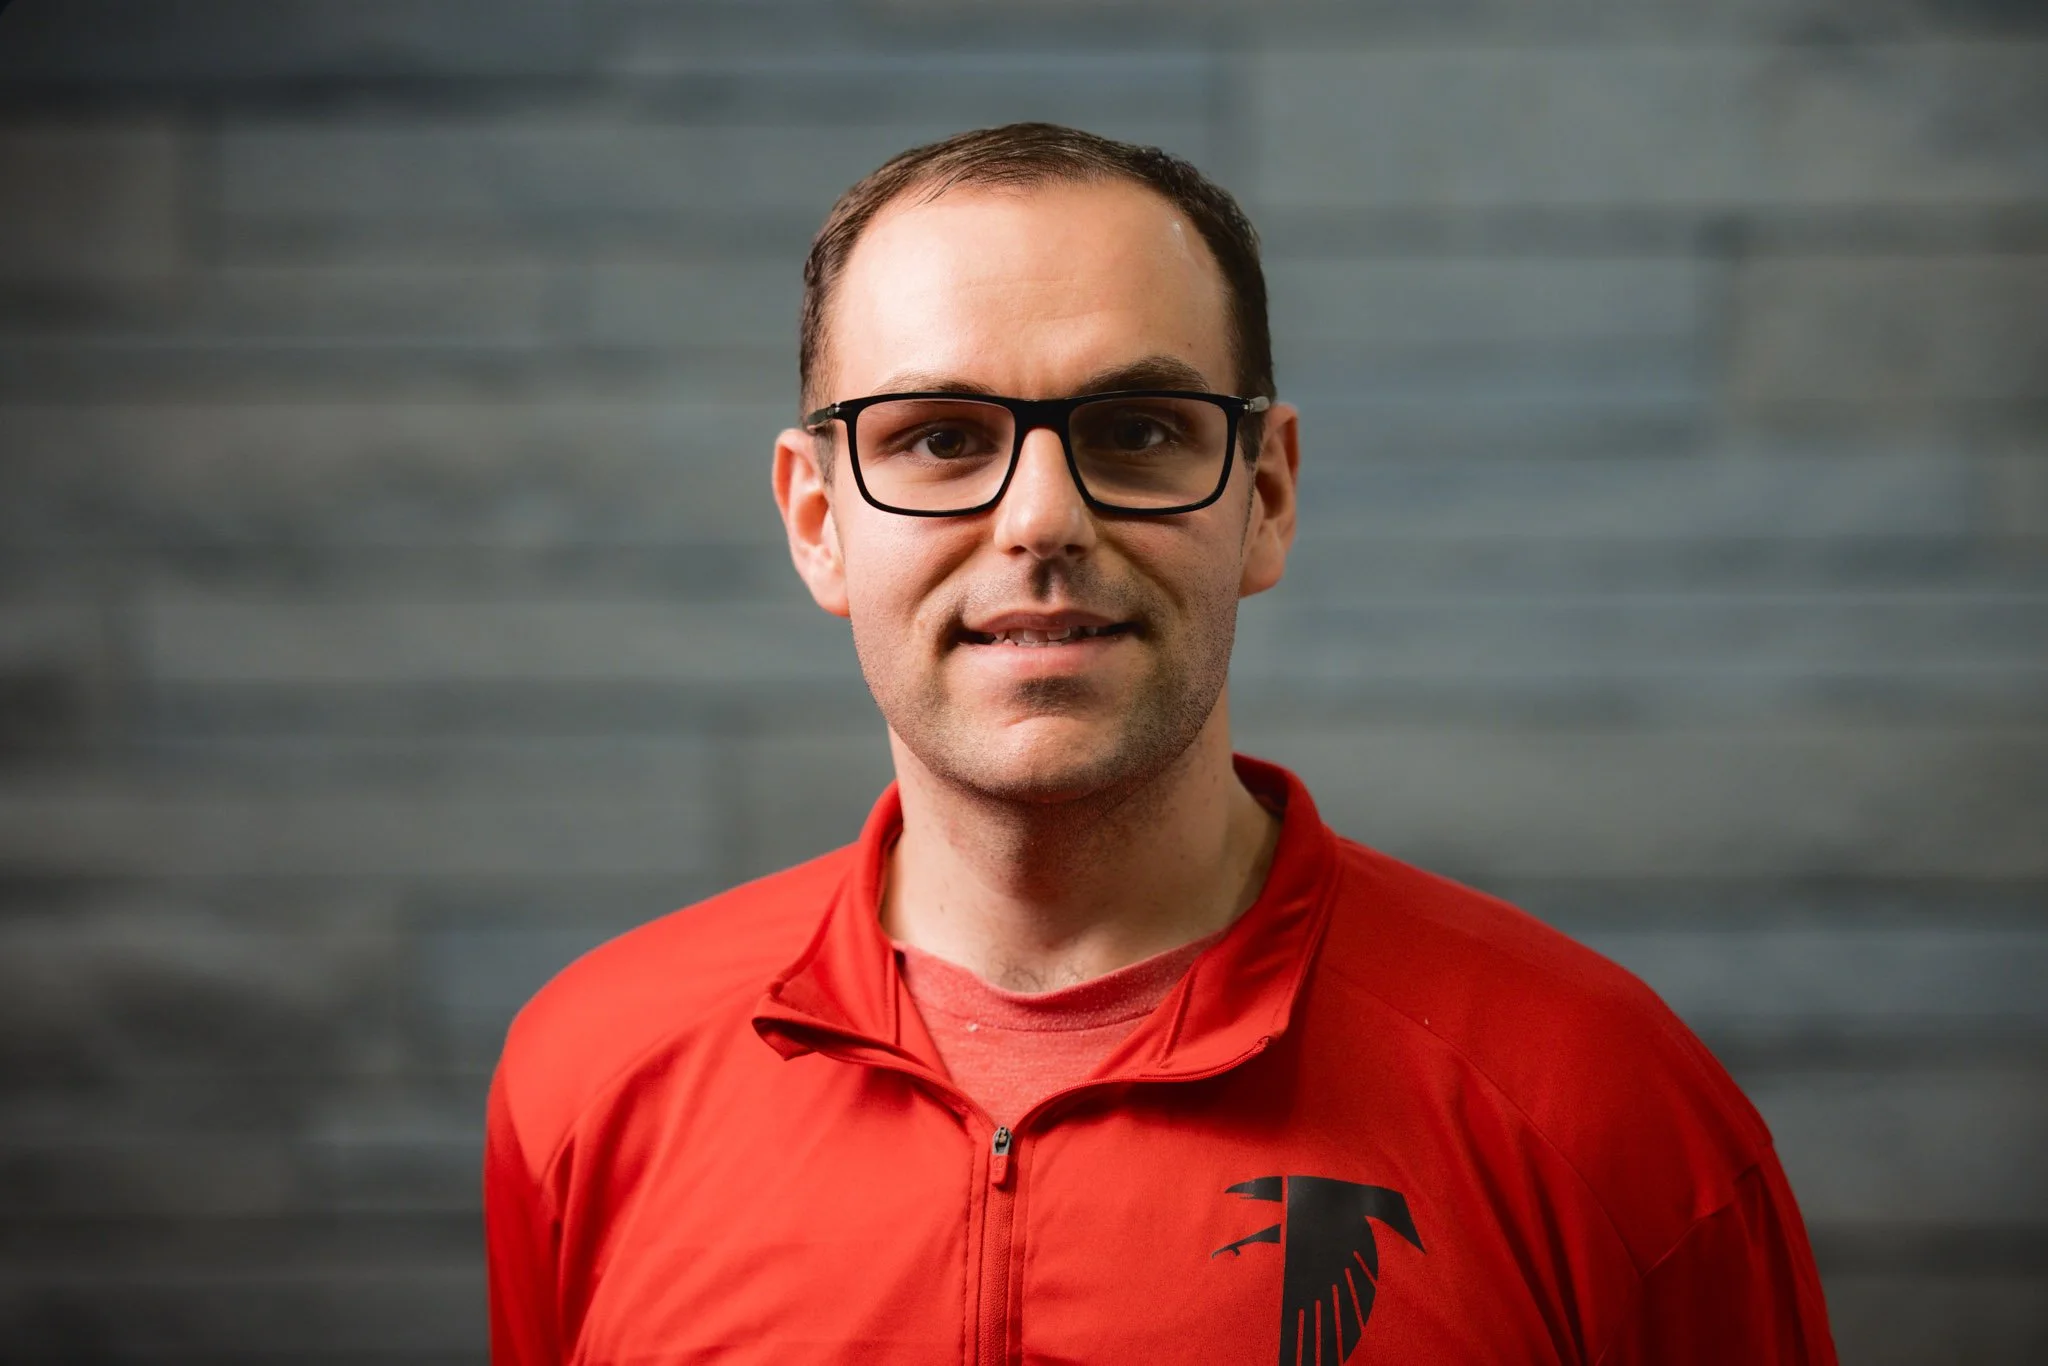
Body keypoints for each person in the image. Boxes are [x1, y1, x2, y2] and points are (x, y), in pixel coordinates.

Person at [484, 123, 1837, 1365]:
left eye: (1137, 430)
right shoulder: (592, 1079)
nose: (1041, 521)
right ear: (817, 520)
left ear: (1268, 496)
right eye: (941, 438)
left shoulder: (1600, 1102)